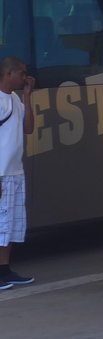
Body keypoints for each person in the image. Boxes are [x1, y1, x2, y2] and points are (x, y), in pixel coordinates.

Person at [0, 56, 36, 290]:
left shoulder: (14, 98)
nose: (25, 77)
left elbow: (29, 128)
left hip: (15, 172)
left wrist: (27, 95)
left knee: (10, 225)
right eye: (21, 73)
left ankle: (5, 270)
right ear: (9, 73)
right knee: (1, 224)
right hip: (2, 173)